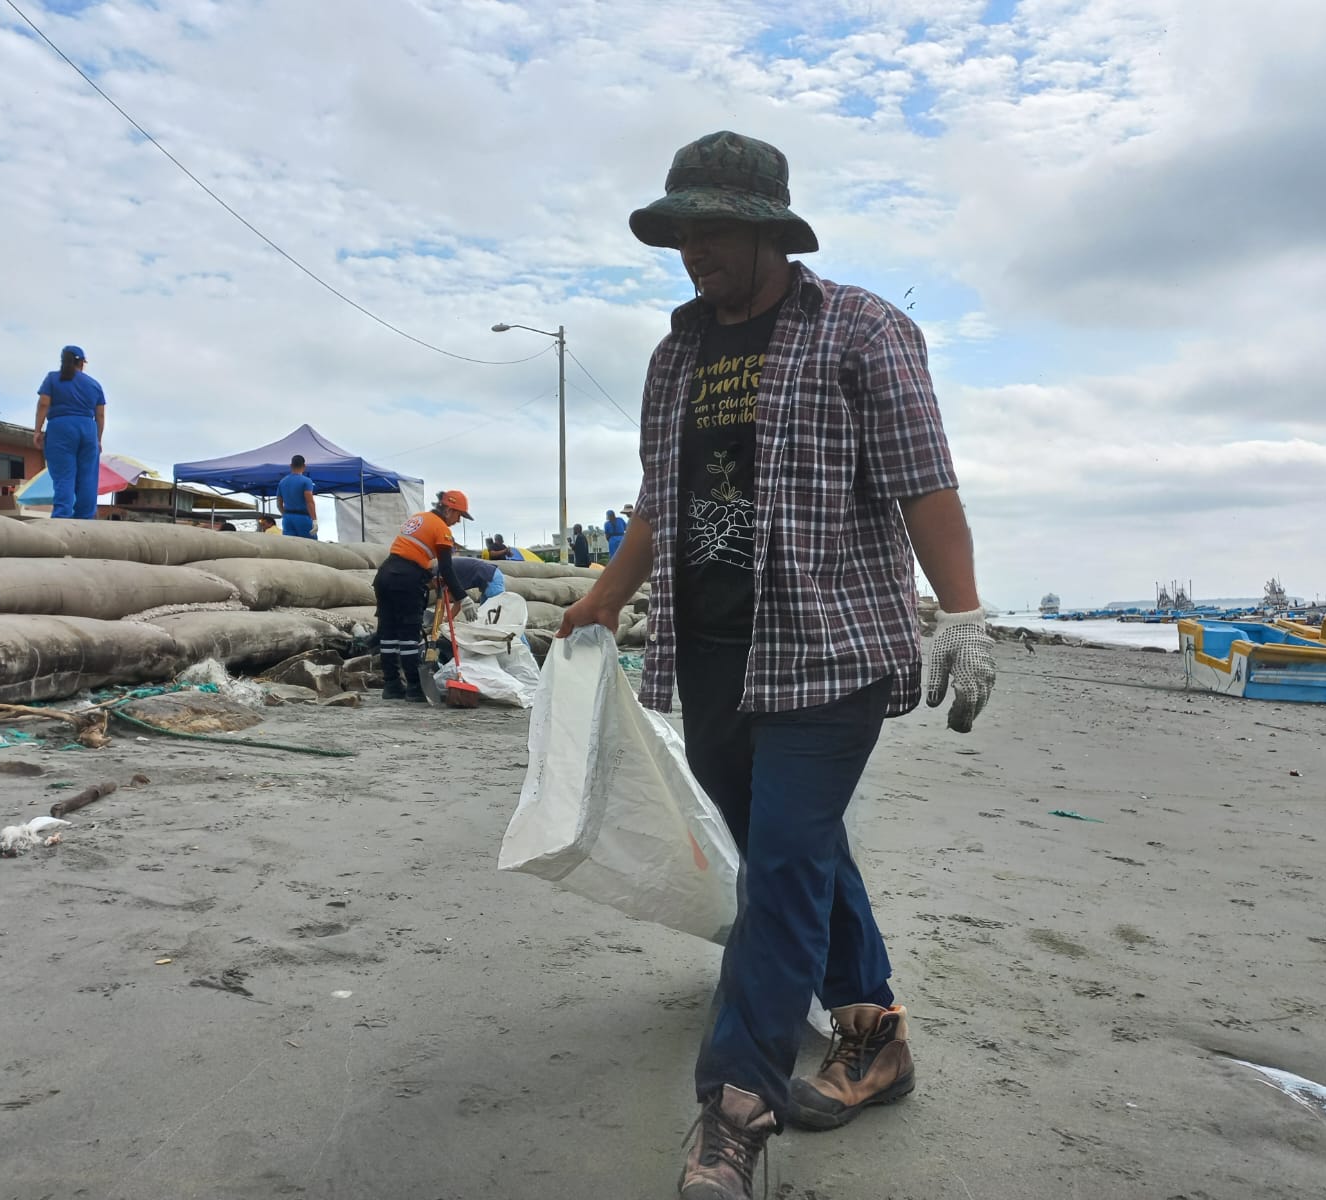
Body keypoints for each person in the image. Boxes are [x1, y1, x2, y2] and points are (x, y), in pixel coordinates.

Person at [557, 130, 996, 1200]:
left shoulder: (861, 330)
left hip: (830, 644)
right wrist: (606, 597)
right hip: (711, 652)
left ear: (768, 232)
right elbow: (658, 500)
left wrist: (963, 614)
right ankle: (872, 1030)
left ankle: (735, 1111)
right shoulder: (674, 356)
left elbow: (923, 481)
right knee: (789, 846)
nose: (692, 250)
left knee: (783, 869)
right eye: (680, 230)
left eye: (711, 229)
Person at [373, 489, 474, 701]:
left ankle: (391, 685)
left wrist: (429, 576)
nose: (458, 521)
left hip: (385, 575)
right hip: (406, 580)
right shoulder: (442, 529)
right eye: (459, 515)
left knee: (389, 634)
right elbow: (447, 568)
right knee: (408, 636)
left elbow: (411, 553)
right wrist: (463, 598)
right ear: (449, 509)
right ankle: (414, 687)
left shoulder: (419, 518)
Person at [34, 345, 105, 520]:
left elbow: (43, 404)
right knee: (88, 477)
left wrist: (37, 431)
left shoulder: (53, 379)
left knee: (64, 476)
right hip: (88, 429)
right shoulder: (94, 384)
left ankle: (62, 516)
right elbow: (100, 415)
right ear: (81, 363)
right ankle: (85, 518)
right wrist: (98, 439)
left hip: (61, 428)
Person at [276, 455, 317, 539]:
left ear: (291, 465)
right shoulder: (306, 481)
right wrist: (314, 520)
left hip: (288, 519)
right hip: (303, 518)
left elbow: (279, 503)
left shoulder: (282, 482)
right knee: (309, 544)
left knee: (290, 545)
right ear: (304, 466)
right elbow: (309, 502)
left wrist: (285, 514)